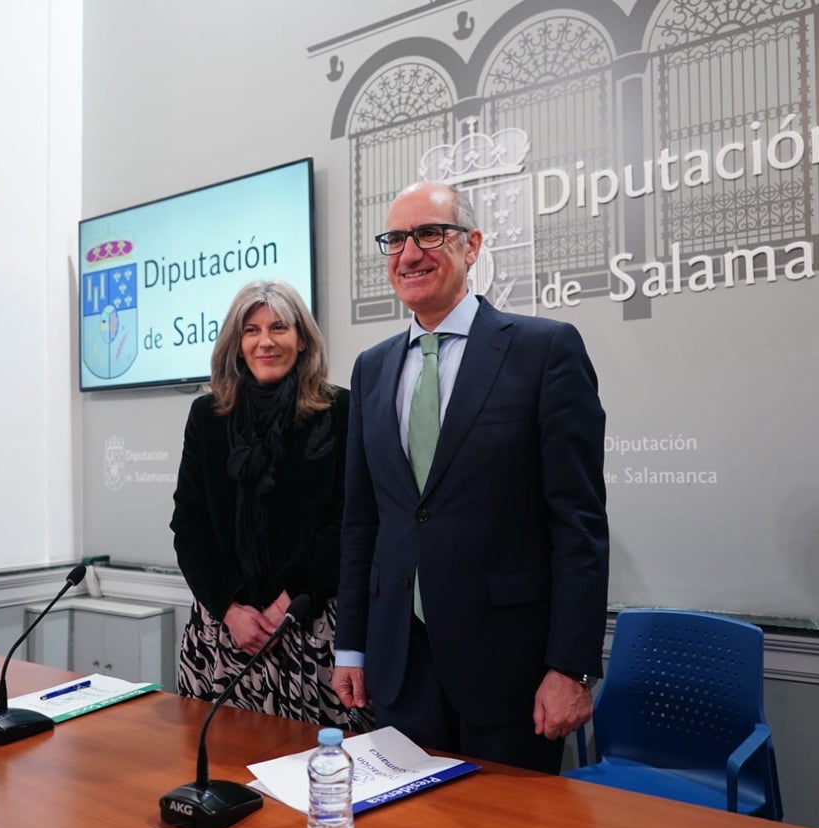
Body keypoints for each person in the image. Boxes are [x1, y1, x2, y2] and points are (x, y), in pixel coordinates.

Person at [332, 181, 609, 773]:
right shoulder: (371, 369)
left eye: (429, 233)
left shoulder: (545, 351)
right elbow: (362, 523)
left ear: (473, 245)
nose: (409, 253)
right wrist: (351, 645)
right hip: (401, 667)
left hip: (512, 672)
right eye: (395, 239)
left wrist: (572, 669)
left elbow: (578, 524)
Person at [171, 279, 356, 728]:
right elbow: (189, 526)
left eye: (279, 327)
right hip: (224, 633)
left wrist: (286, 606)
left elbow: (347, 522)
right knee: (218, 769)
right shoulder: (207, 417)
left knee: (318, 777)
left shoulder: (341, 410)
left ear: (303, 339)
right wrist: (231, 609)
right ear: (236, 344)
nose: (265, 341)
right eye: (251, 330)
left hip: (312, 631)